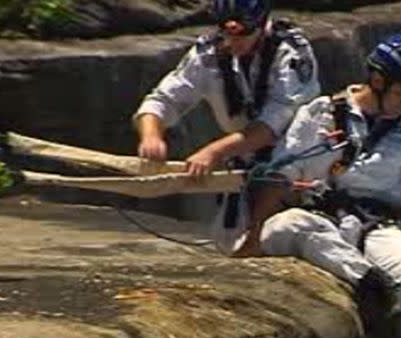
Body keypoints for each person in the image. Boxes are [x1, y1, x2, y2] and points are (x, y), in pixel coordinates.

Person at [238, 34, 401, 338]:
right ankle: (371, 286)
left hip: (371, 227)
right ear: (378, 81)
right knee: (292, 225)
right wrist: (252, 237)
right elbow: (278, 177)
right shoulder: (320, 113)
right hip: (313, 221)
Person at [133, 0, 320, 253]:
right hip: (241, 163)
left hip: (293, 162)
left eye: (243, 34)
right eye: (227, 34)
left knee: (274, 237)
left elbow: (272, 125)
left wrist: (214, 152)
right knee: (228, 245)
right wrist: (152, 136)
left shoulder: (291, 52)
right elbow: (164, 99)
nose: (233, 43)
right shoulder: (209, 52)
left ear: (261, 24)